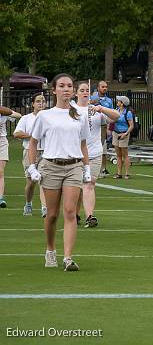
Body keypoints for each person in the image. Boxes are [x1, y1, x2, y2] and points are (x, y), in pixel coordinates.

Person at [27, 74, 91, 271]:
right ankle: (50, 249)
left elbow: (83, 144)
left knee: (71, 212)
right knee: (52, 214)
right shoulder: (45, 115)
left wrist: (86, 168)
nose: (66, 89)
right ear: (54, 90)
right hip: (51, 165)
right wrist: (32, 166)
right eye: (62, 86)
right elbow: (33, 142)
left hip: (73, 166)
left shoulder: (80, 114)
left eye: (69, 86)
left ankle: (68, 258)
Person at [74, 81, 121, 228]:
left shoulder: (95, 109)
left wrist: (101, 109)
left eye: (87, 90)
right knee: (76, 187)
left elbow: (116, 117)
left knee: (89, 184)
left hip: (94, 152)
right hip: (75, 154)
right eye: (82, 90)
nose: (85, 93)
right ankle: (75, 213)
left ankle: (90, 216)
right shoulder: (71, 109)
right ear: (76, 93)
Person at [13, 93, 48, 216]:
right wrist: (32, 136)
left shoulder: (50, 117)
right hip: (29, 152)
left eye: (43, 101)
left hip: (46, 152)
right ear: (33, 104)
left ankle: (44, 208)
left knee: (44, 181)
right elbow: (16, 134)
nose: (41, 103)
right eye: (38, 101)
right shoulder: (26, 118)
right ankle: (28, 203)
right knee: (31, 182)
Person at [89, 80, 113, 177]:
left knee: (102, 148)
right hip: (93, 125)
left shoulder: (109, 101)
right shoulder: (92, 98)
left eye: (106, 87)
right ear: (98, 88)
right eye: (103, 87)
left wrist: (109, 128)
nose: (105, 88)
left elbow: (111, 114)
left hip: (103, 126)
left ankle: (103, 168)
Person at [1, 105, 23, 208]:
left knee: (0, 171)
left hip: (2, 141)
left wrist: (7, 111)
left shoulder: (3, 111)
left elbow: (19, 115)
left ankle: (1, 198)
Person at [112, 95, 134, 179]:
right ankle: (119, 173)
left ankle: (127, 173)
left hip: (124, 133)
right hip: (115, 133)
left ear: (122, 103)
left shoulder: (128, 113)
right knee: (118, 154)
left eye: (119, 101)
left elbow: (131, 126)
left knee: (125, 154)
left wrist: (125, 134)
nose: (117, 102)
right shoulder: (116, 111)